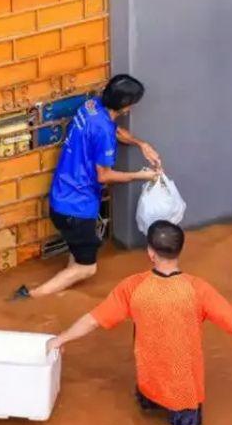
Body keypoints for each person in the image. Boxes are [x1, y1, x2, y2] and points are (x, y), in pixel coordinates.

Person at [46, 221, 232, 425]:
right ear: (180, 250)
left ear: (150, 252)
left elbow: (93, 320)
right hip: (184, 393)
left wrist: (59, 339)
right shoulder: (198, 290)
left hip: (148, 384)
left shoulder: (132, 287)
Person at [19, 74, 162, 298]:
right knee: (87, 268)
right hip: (77, 208)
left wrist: (141, 144)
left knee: (77, 257)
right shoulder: (103, 130)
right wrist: (142, 175)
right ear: (125, 106)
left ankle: (62, 288)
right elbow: (103, 176)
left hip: (61, 197)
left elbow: (114, 131)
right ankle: (31, 297)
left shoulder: (92, 106)